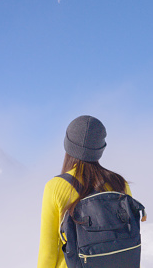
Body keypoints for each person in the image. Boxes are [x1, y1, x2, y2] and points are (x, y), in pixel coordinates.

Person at [37, 115, 134, 268]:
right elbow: (129, 240)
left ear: (68, 145)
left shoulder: (54, 186)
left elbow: (47, 253)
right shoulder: (120, 184)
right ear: (100, 149)